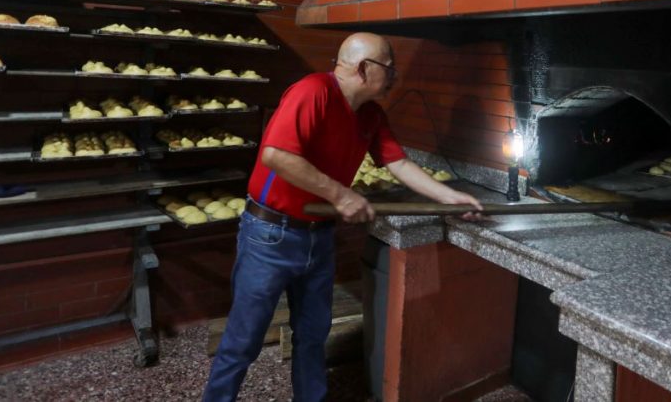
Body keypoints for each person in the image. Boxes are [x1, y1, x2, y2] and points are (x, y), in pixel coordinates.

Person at [203, 32, 483, 402]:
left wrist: (450, 197)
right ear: (365, 69)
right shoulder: (313, 91)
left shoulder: (370, 113)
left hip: (318, 237)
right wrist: (340, 193)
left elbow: (397, 162)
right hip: (270, 234)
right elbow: (276, 156)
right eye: (390, 67)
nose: (395, 75)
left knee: (313, 336)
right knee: (243, 340)